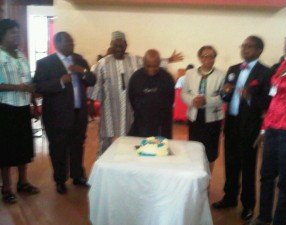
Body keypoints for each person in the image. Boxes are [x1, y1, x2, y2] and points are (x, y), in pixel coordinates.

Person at [88, 31, 183, 153]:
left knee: (130, 145)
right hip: (110, 112)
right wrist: (90, 104)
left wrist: (170, 59)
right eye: (115, 46)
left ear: (126, 45)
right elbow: (95, 91)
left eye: (121, 46)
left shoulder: (133, 60)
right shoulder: (101, 64)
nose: (118, 49)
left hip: (129, 114)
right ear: (110, 45)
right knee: (106, 146)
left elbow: (152, 62)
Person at [212, 36, 272, 221]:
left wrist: (249, 98)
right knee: (230, 163)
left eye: (250, 47)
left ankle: (248, 205)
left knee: (247, 166)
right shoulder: (233, 69)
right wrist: (225, 92)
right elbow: (223, 96)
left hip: (250, 127)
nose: (245, 49)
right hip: (231, 123)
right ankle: (229, 197)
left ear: (259, 50)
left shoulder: (265, 73)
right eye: (243, 46)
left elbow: (268, 102)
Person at [246, 24, 286, 225]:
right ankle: (264, 216)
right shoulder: (284, 65)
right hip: (273, 128)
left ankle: (280, 221)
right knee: (266, 175)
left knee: (285, 181)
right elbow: (274, 100)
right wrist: (263, 128)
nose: (285, 42)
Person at [33, 32, 96, 194]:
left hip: (78, 112)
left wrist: (82, 71)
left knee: (77, 145)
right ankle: (60, 180)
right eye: (68, 42)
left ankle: (77, 176)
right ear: (57, 44)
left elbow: (92, 80)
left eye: (72, 41)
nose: (72, 44)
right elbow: (38, 87)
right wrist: (60, 82)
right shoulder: (45, 63)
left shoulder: (79, 60)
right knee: (58, 147)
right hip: (56, 115)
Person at [0, 19, 39, 203]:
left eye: (18, 32)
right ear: (2, 35)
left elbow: (28, 82)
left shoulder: (21, 55)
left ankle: (23, 182)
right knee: (6, 149)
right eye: (12, 33)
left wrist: (33, 104)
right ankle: (6, 187)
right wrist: (17, 87)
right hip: (5, 109)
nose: (16, 35)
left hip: (23, 107)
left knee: (23, 146)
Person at [181, 45, 225, 172]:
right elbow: (184, 93)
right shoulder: (190, 73)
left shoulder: (222, 75)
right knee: (194, 149)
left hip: (213, 118)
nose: (208, 59)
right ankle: (195, 176)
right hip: (195, 116)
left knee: (210, 152)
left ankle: (208, 181)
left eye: (211, 56)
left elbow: (223, 97)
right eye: (205, 56)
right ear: (199, 58)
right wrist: (192, 101)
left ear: (215, 58)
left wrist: (206, 101)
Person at [128, 49, 175, 138]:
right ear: (143, 63)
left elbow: (171, 99)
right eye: (148, 66)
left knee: (162, 148)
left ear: (159, 63)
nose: (152, 69)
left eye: (155, 66)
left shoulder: (167, 78)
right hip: (142, 121)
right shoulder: (136, 78)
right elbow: (131, 98)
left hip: (162, 123)